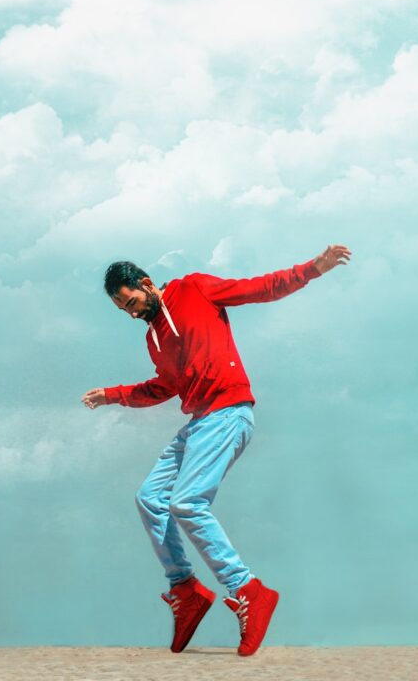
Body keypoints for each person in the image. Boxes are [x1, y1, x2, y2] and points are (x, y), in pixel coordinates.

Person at [81, 244, 351, 656]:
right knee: (150, 498)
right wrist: (113, 395)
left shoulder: (194, 289)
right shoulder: (154, 339)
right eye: (124, 310)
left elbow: (260, 288)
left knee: (187, 502)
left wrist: (313, 268)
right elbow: (163, 387)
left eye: (132, 302)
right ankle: (185, 589)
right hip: (199, 423)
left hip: (228, 412)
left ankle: (248, 589)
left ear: (147, 284)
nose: (132, 313)